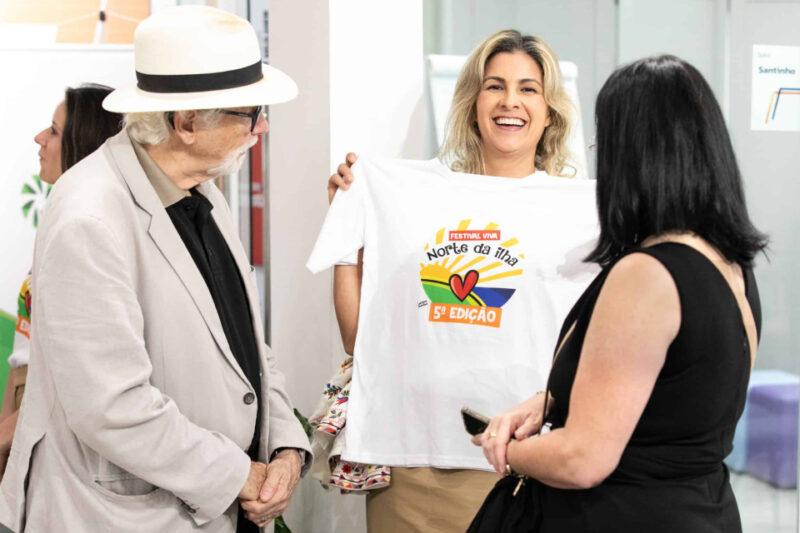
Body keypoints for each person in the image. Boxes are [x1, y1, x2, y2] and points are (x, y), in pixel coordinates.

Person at [0, 6, 311, 532]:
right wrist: (241, 476)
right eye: (249, 113)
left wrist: (285, 446)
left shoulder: (207, 193)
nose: (262, 127)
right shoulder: (90, 216)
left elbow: (248, 347)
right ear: (187, 122)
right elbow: (112, 405)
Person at [311, 30, 597, 532]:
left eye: (529, 89)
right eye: (495, 86)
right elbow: (362, 342)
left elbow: (592, 352)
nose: (511, 101)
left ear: (550, 110)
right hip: (411, 467)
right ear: (471, 102)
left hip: (520, 466)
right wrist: (350, 238)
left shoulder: (582, 212)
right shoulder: (409, 199)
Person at [471, 55, 768, 532]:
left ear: (633, 154)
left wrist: (504, 448)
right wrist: (548, 400)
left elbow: (583, 459)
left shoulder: (647, 274)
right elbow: (668, 401)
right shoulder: (729, 264)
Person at [0, 83, 122, 476]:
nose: (39, 138)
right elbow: (29, 352)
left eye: (53, 131)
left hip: (53, 432)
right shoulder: (61, 219)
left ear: (83, 144)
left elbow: (69, 377)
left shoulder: (87, 232)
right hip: (24, 408)